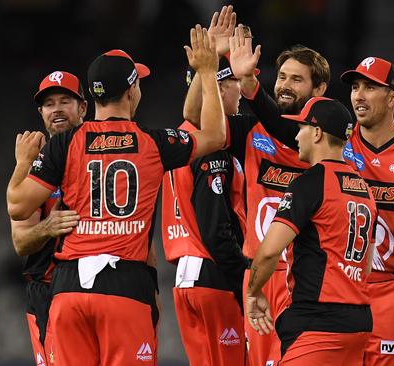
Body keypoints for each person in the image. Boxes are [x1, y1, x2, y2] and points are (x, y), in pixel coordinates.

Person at [7, 25, 226, 365]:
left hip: (69, 290)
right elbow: (214, 135)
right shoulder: (153, 142)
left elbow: (18, 206)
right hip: (125, 287)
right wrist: (208, 72)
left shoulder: (65, 144)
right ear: (131, 91)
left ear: (90, 98)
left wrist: (23, 164)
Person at [235, 49, 394, 364]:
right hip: (348, 290)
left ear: (393, 96)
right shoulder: (338, 141)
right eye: (355, 87)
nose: (359, 95)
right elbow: (281, 127)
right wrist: (249, 85)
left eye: (370, 87)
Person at [188, 24, 332, 366]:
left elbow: (286, 132)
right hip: (263, 276)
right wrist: (208, 67)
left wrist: (250, 87)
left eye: (297, 79)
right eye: (281, 76)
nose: (284, 85)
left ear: (320, 89)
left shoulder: (328, 135)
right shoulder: (251, 130)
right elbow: (195, 119)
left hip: (310, 279)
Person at [246, 97, 377, 365]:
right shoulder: (365, 189)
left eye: (302, 127)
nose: (296, 135)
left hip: (318, 322)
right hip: (358, 321)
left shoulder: (311, 181)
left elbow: (270, 251)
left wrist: (253, 291)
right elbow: (366, 266)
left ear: (317, 132)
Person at [161, 6, 249, 365]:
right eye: (234, 85)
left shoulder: (179, 139)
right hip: (214, 273)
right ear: (218, 87)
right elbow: (215, 228)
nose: (241, 93)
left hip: (185, 280)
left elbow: (192, 112)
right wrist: (246, 279)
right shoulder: (215, 151)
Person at [11, 71, 86, 366]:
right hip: (48, 290)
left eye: (65, 100)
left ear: (83, 108)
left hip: (100, 285)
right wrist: (48, 227)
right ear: (41, 113)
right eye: (49, 104)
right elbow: (20, 242)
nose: (56, 109)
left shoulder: (102, 151)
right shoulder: (33, 164)